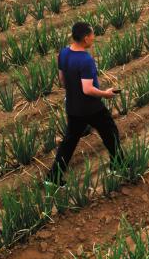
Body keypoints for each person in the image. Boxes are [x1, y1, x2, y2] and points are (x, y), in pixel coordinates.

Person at [47, 22, 121, 186]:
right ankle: (118, 165)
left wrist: (73, 93)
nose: (94, 38)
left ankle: (53, 178)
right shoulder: (86, 60)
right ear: (86, 38)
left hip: (73, 106)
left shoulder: (64, 53)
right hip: (91, 108)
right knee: (110, 133)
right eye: (92, 35)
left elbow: (62, 80)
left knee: (69, 142)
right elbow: (87, 89)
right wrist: (106, 94)